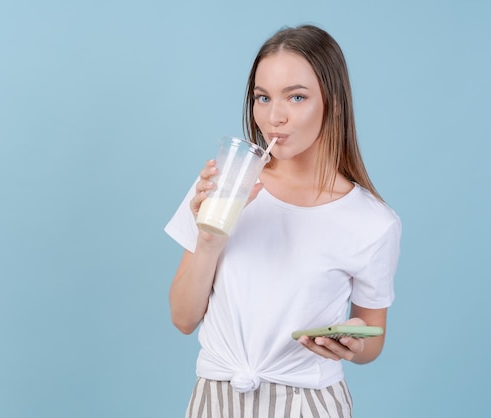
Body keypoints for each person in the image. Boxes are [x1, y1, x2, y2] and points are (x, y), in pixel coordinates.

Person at [165, 24, 401, 418]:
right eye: (262, 97)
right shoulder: (224, 187)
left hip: (309, 403)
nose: (274, 116)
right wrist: (209, 238)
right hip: (215, 398)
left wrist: (353, 346)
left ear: (334, 102)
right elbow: (183, 318)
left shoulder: (373, 222)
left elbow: (372, 339)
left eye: (296, 97)